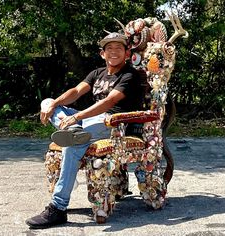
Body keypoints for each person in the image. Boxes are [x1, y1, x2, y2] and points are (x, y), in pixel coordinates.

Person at [25, 32, 144, 229]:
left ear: (126, 53)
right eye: (109, 49)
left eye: (119, 49)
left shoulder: (129, 75)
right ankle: (73, 131)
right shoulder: (97, 73)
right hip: (88, 122)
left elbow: (108, 102)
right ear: (102, 53)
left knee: (72, 144)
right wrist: (53, 104)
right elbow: (76, 92)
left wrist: (77, 117)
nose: (114, 52)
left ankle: (58, 208)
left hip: (113, 124)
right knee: (47, 102)